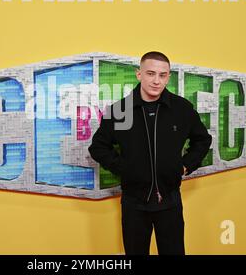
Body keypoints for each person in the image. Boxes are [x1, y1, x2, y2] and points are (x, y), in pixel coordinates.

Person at [88, 51, 212, 255]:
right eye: (150, 73)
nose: (156, 81)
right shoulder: (121, 110)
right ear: (139, 74)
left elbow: (203, 139)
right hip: (134, 204)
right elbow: (98, 147)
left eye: (162, 75)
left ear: (168, 77)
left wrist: (185, 165)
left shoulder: (181, 108)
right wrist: (126, 169)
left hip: (170, 201)